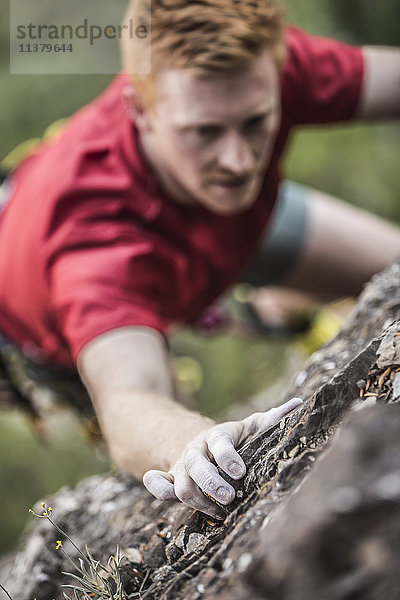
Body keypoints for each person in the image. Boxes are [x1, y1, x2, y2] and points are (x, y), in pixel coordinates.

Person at [0, 0, 399, 520]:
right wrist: (198, 441)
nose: (239, 159)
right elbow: (130, 403)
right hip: (57, 292)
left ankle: (275, 305)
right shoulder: (92, 234)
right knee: (174, 432)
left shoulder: (257, 71)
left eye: (257, 123)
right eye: (205, 132)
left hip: (222, 219)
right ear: (139, 111)